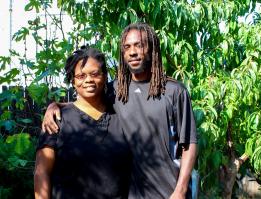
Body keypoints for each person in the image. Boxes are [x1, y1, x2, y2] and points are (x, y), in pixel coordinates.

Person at [42, 22, 198, 199]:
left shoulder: (173, 91)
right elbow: (87, 102)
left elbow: (189, 143)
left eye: (139, 45)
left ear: (152, 48)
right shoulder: (116, 90)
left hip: (169, 192)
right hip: (132, 194)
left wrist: (181, 189)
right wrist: (56, 106)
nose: (133, 52)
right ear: (122, 53)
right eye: (127, 47)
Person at [34, 47, 132, 199]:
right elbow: (42, 172)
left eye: (94, 74)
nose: (88, 80)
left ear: (105, 76)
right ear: (73, 81)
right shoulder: (57, 119)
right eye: (81, 76)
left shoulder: (121, 116)